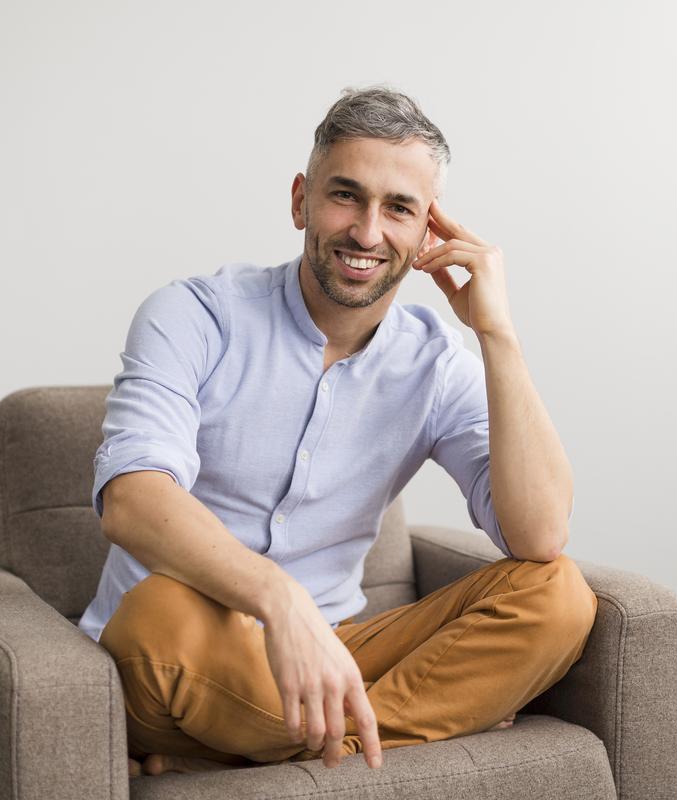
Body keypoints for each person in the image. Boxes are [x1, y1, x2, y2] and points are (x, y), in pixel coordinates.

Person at [79, 86, 597, 777]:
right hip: (183, 648)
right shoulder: (194, 315)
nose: (368, 232)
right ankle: (396, 726)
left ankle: (269, 750)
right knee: (159, 611)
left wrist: (497, 334)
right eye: (346, 196)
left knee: (558, 594)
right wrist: (278, 600)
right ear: (301, 201)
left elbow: (538, 536)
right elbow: (132, 500)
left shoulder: (436, 362)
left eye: (399, 208)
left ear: (428, 234)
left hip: (335, 653)